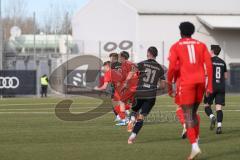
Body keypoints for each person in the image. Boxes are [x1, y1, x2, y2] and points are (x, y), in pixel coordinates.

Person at [167, 22, 213, 160]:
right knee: (193, 114)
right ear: (192, 32)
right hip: (201, 82)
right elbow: (209, 65)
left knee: (187, 114)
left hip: (186, 83)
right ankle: (196, 140)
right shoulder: (201, 45)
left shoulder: (176, 46)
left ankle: (194, 146)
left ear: (180, 32)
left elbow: (172, 69)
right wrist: (209, 85)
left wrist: (170, 85)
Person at [127, 46, 165, 144]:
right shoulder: (160, 68)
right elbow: (163, 85)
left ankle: (131, 120)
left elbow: (132, 71)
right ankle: (132, 136)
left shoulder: (142, 63)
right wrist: (155, 86)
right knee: (141, 116)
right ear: (156, 55)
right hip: (151, 95)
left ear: (148, 53)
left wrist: (127, 81)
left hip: (140, 93)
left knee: (134, 110)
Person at [204, 45, 227, 134]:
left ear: (212, 51)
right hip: (221, 87)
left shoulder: (209, 61)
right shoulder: (223, 62)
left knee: (206, 105)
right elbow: (225, 76)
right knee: (219, 108)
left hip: (211, 86)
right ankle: (219, 127)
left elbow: (206, 74)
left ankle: (212, 117)